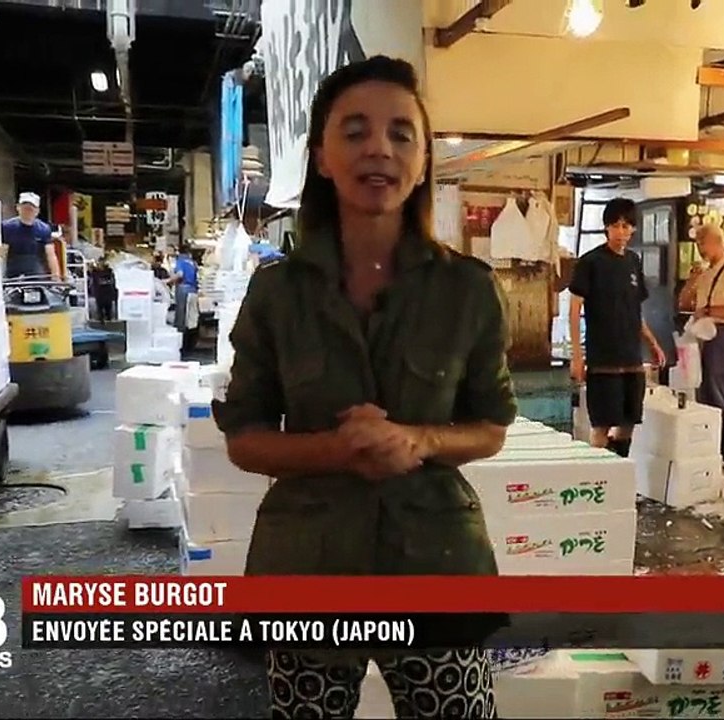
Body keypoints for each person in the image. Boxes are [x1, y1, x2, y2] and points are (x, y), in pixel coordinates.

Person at [210, 56, 516, 718]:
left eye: (401, 133)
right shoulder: (276, 294)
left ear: (424, 157)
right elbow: (245, 438)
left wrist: (417, 438)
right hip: (306, 567)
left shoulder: (468, 290)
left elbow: (491, 426)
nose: (380, 147)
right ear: (321, 156)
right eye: (354, 131)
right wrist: (339, 451)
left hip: (437, 563)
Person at [568, 197, 666, 457]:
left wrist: (652, 343)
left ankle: (618, 471)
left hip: (632, 358)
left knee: (628, 422)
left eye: (626, 226)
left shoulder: (633, 261)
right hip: (603, 358)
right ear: (606, 228)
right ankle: (598, 478)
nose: (621, 232)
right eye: (615, 226)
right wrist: (577, 356)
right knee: (601, 425)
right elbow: (574, 309)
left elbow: (635, 311)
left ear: (633, 229)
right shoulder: (590, 262)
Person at [680, 224, 724, 462]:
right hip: (704, 337)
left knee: (723, 389)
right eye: (697, 243)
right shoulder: (706, 273)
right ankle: (712, 447)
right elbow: (683, 303)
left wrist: (707, 311)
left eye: (703, 242)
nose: (700, 248)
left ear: (717, 242)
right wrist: (692, 282)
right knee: (705, 390)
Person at [1, 192, 61, 279]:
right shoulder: (7, 227)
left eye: (31, 208)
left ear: (37, 211)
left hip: (36, 271)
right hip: (12, 272)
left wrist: (56, 277)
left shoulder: (44, 229)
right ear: (18, 207)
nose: (28, 211)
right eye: (25, 207)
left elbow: (50, 255)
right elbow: (2, 254)